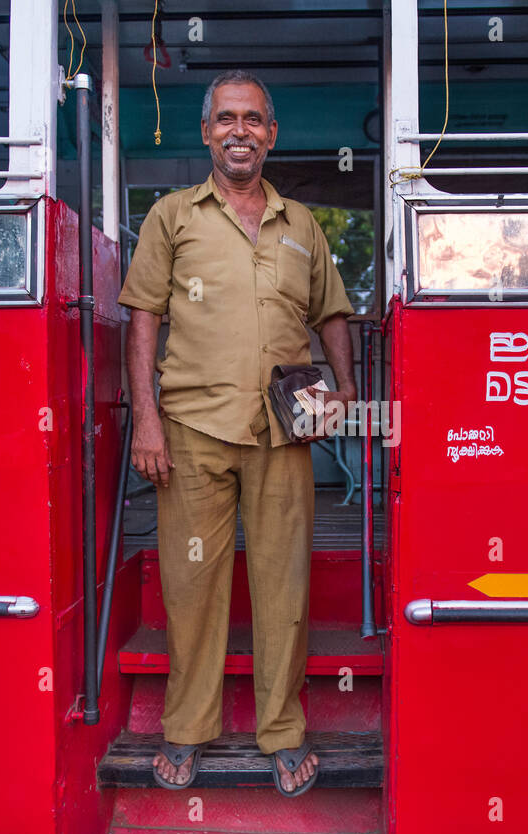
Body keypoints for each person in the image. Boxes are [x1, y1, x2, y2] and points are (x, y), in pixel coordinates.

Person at [118, 70, 356, 797]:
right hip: (191, 428)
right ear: (206, 132)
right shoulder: (173, 217)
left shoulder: (302, 224)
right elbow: (143, 318)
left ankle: (282, 732)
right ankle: (188, 729)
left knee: (284, 586)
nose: (240, 130)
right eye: (227, 118)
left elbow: (333, 314)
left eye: (253, 118)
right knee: (193, 586)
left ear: (272, 133)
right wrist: (147, 419)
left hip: (284, 429)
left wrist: (345, 390)